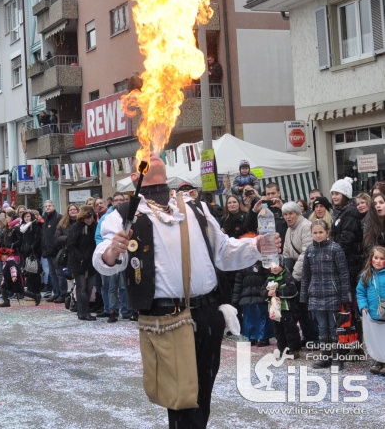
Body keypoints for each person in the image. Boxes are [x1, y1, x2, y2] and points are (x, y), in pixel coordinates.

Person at [93, 154, 280, 429]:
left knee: (203, 393)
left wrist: (256, 246)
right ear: (136, 177)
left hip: (207, 315)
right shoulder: (124, 215)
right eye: (142, 158)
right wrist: (111, 252)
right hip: (166, 318)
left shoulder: (196, 208)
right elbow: (106, 259)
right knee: (182, 396)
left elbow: (224, 251)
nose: (151, 154)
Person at [300, 219, 350, 369]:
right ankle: (325, 355)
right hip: (315, 295)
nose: (318, 235)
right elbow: (305, 275)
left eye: (321, 232)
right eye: (315, 232)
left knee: (335, 327)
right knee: (322, 327)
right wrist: (304, 295)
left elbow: (344, 273)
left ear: (327, 233)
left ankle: (337, 357)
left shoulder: (336, 249)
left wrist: (344, 295)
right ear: (311, 234)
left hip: (333, 294)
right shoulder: (309, 251)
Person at [281, 201, 318, 344]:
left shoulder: (306, 226)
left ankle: (314, 337)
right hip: (295, 273)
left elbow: (306, 253)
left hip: (307, 273)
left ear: (298, 213)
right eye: (285, 214)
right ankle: (307, 336)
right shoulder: (289, 229)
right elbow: (286, 253)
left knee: (308, 307)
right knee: (300, 308)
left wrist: (294, 276)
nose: (288, 217)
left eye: (291, 213)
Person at [95, 192, 134, 323]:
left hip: (127, 255)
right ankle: (112, 310)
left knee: (124, 286)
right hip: (111, 256)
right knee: (111, 286)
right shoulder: (107, 217)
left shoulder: (130, 215)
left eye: (121, 200)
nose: (119, 202)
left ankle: (126, 309)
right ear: (112, 201)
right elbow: (99, 236)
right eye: (116, 200)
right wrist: (107, 251)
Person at [261, 257, 301, 358]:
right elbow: (261, 291)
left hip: (287, 309)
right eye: (272, 266)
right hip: (275, 310)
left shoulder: (287, 277)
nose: (274, 268)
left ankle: (294, 349)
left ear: (282, 265)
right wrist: (267, 293)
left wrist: (277, 293)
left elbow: (293, 291)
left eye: (277, 265)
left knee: (290, 330)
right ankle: (282, 349)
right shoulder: (269, 279)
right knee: (278, 331)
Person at [330, 177, 363, 293]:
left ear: (345, 195)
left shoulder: (350, 212)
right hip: (346, 259)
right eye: (333, 193)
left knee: (350, 294)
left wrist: (334, 256)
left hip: (350, 260)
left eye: (337, 193)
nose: (334, 196)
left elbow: (347, 238)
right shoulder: (342, 211)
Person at [356, 246, 385, 376]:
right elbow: (360, 293)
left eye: (382, 258)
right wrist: (363, 306)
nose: (378, 261)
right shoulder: (366, 275)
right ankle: (378, 360)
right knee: (375, 338)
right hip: (373, 314)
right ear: (371, 259)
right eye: (375, 257)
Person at [232, 259, 274, 347]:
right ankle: (251, 337)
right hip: (246, 295)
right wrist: (235, 299)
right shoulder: (242, 263)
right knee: (249, 318)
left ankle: (263, 337)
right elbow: (238, 282)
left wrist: (266, 291)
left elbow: (269, 278)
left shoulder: (263, 262)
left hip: (260, 294)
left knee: (261, 317)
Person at [67, 205, 97, 321]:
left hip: (91, 261)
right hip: (79, 262)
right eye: (87, 218)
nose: (89, 220)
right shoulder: (76, 227)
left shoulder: (94, 226)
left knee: (89, 287)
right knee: (82, 287)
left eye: (91, 218)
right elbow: (71, 245)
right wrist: (80, 257)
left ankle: (84, 310)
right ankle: (83, 312)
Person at [41, 200, 66, 303]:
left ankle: (62, 294)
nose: (48, 207)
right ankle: (55, 293)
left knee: (59, 273)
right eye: (46, 206)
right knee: (52, 274)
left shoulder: (59, 217)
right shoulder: (44, 218)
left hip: (57, 250)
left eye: (50, 205)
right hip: (47, 250)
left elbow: (61, 233)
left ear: (54, 206)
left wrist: (58, 246)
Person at [363, 190, 385, 257]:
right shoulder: (369, 224)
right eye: (375, 204)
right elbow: (369, 247)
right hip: (377, 262)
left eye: (381, 202)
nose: (378, 206)